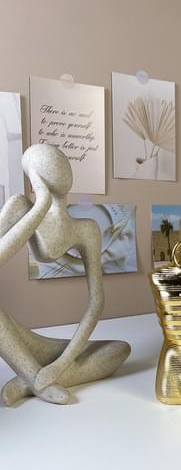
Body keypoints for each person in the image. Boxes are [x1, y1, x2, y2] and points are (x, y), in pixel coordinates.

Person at [0, 144, 130, 406]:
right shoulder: (21, 207)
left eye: (62, 162)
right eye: (50, 162)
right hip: (15, 334)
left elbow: (96, 303)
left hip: (50, 351)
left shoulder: (86, 228)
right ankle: (35, 378)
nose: (62, 169)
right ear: (35, 174)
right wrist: (41, 205)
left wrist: (61, 364)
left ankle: (29, 381)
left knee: (120, 349)